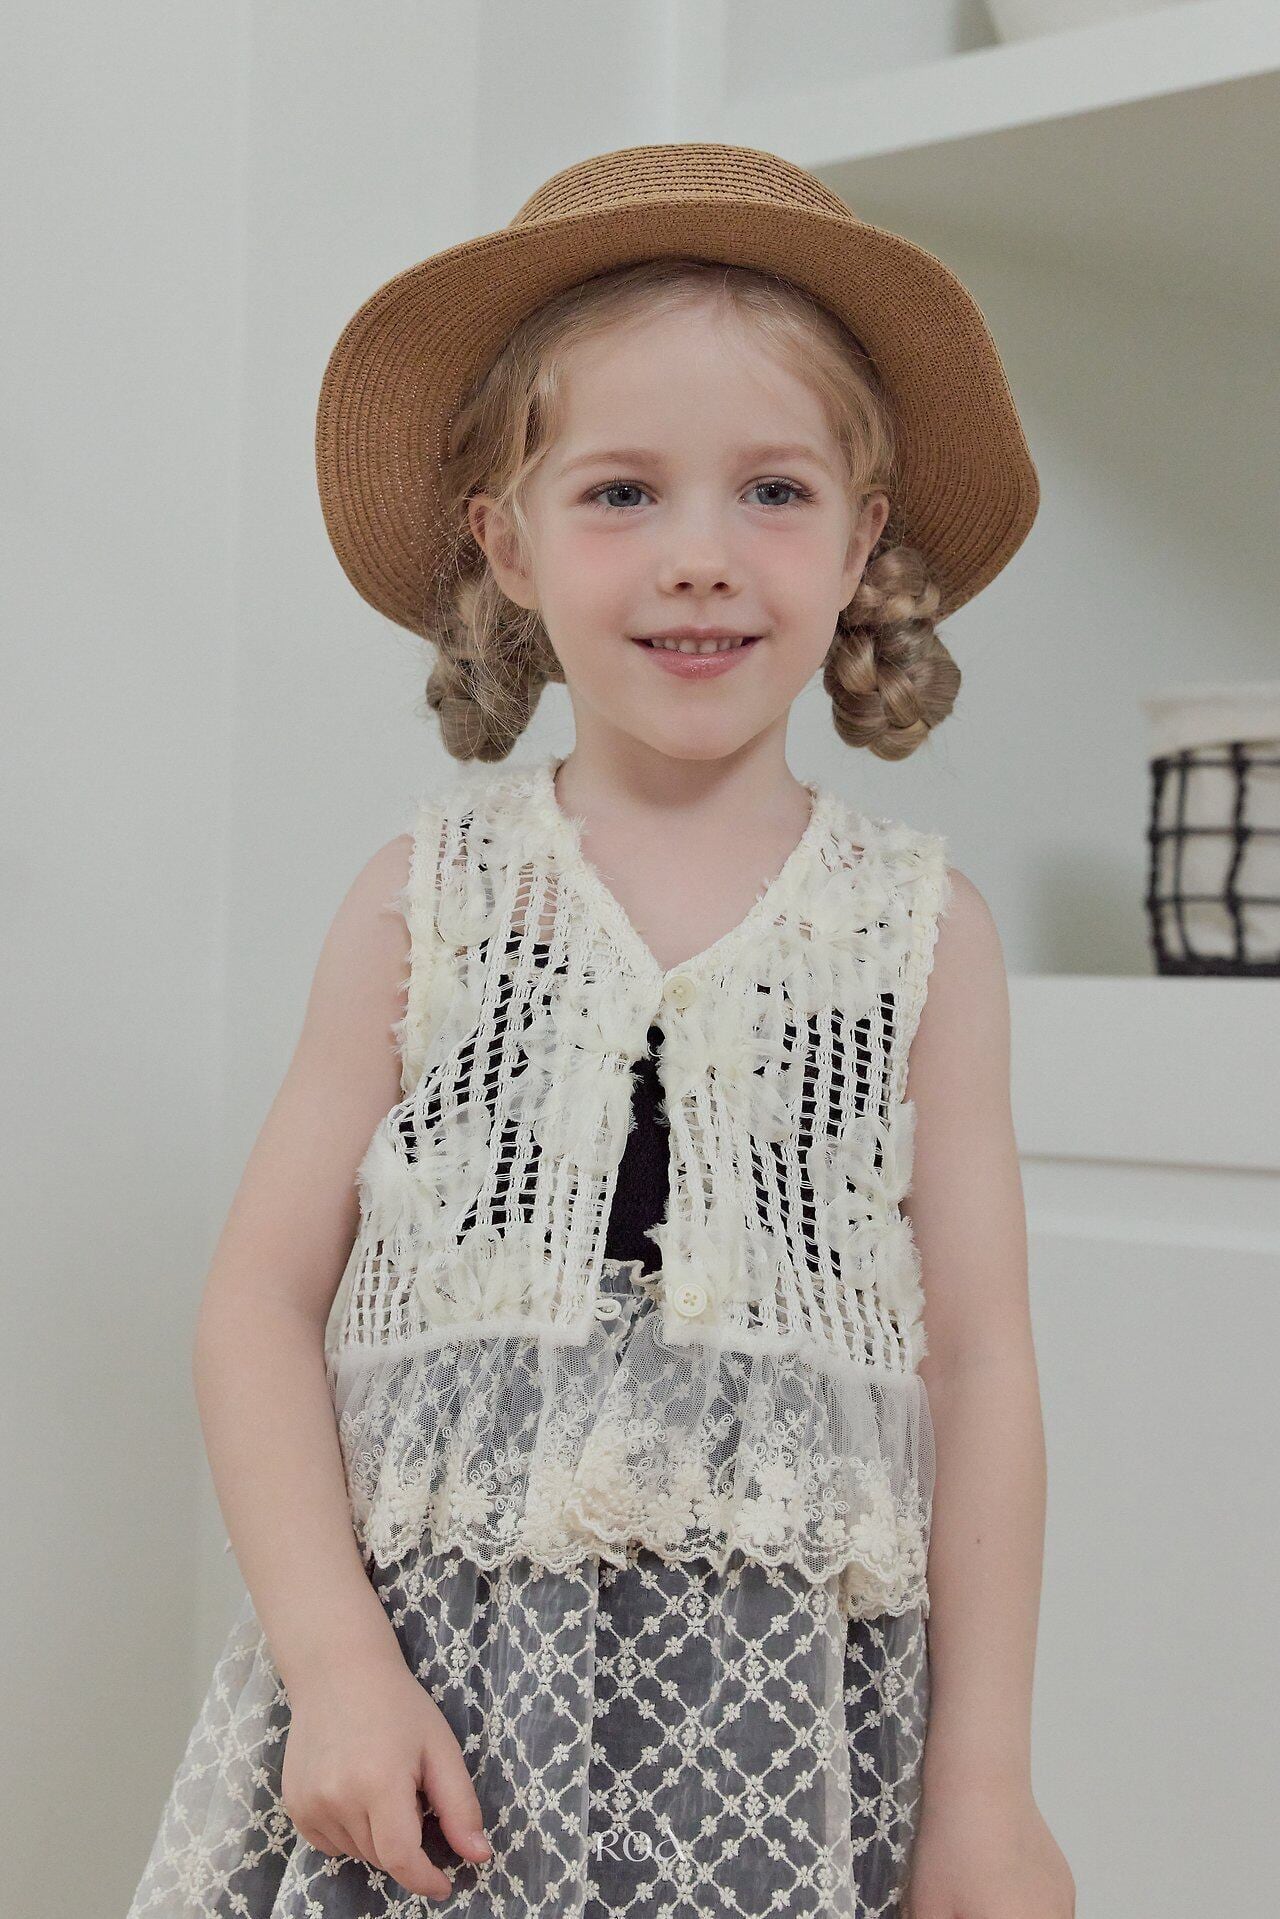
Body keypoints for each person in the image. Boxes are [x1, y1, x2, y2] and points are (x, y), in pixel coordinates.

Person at [125, 142, 1075, 1917]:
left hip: (782, 1737)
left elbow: (981, 1370)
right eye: (623, 492)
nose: (701, 560)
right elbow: (255, 1305)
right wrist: (335, 1665)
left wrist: (984, 1789)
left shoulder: (920, 938)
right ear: (508, 543)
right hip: (435, 1717)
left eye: (774, 491)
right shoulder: (425, 904)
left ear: (863, 539)